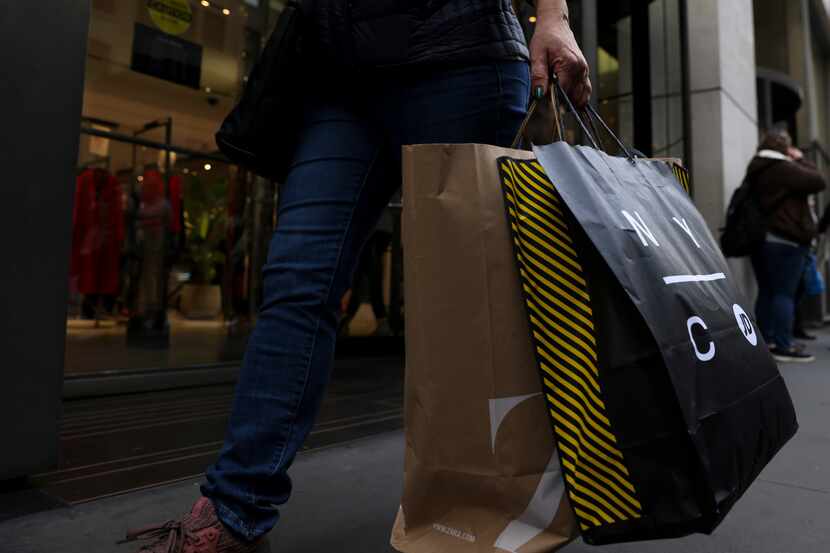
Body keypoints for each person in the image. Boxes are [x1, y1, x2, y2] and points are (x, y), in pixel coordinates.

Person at [121, 1, 591, 552]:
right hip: (340, 77)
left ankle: (503, 503)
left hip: (459, 53)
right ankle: (234, 510)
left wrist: (553, 15)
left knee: (478, 298)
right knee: (298, 280)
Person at [749, 128, 827, 363]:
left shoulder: (756, 167)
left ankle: (765, 342)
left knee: (767, 292)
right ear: (783, 147)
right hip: (786, 240)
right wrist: (801, 158)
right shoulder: (782, 168)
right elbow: (818, 180)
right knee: (784, 293)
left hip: (763, 240)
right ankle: (784, 345)